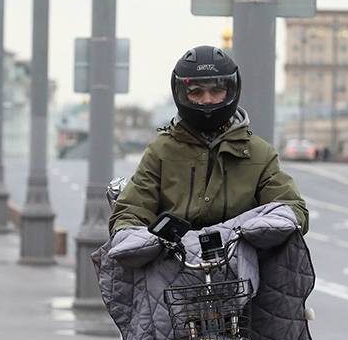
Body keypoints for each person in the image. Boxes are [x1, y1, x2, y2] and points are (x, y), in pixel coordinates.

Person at [110, 45, 308, 235]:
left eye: (216, 91)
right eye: (196, 92)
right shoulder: (161, 150)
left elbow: (290, 205)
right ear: (181, 94)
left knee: (285, 261)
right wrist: (129, 232)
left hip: (241, 260)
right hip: (172, 262)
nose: (207, 100)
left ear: (231, 90)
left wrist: (273, 224)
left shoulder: (259, 153)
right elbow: (133, 207)